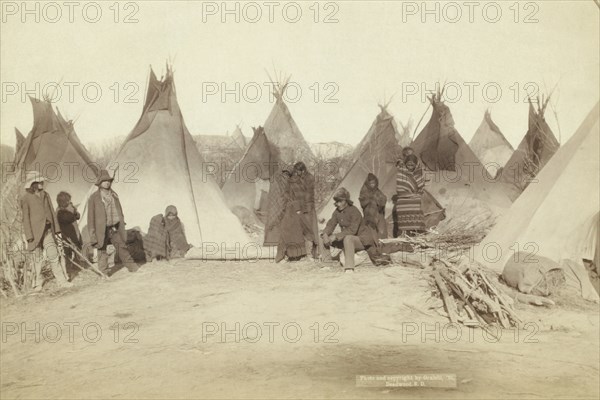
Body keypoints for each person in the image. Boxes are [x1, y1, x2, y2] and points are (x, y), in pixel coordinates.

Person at [20, 172, 72, 290]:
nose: (42, 183)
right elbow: (26, 219)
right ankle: (37, 284)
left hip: (48, 231)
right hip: (34, 234)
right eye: (39, 181)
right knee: (37, 260)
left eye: (41, 181)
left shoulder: (46, 195)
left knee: (54, 256)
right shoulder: (26, 199)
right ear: (33, 184)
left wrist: (57, 229)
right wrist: (29, 236)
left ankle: (62, 281)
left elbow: (52, 213)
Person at [321, 187, 390, 273]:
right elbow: (331, 224)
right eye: (337, 201)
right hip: (346, 240)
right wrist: (325, 234)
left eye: (340, 201)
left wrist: (336, 236)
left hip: (361, 240)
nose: (338, 204)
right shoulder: (336, 212)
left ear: (346, 201)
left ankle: (349, 267)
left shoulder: (354, 211)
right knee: (323, 237)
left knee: (348, 238)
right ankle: (326, 264)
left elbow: (352, 230)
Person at [87, 169, 139, 274]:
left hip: (113, 228)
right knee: (102, 250)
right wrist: (93, 235)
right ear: (100, 183)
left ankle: (133, 268)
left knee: (122, 247)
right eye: (104, 181)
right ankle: (104, 273)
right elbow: (90, 218)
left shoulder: (114, 195)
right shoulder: (94, 198)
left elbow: (120, 211)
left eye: (108, 180)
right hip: (100, 229)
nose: (107, 182)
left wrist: (121, 224)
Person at [266, 168, 307, 263]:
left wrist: (296, 209)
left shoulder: (289, 184)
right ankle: (290, 255)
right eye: (284, 175)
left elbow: (293, 197)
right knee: (289, 233)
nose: (285, 177)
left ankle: (285, 256)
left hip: (290, 211)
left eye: (286, 175)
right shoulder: (286, 183)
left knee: (289, 233)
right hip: (288, 210)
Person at [292, 161, 320, 259]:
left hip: (308, 208)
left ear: (303, 170)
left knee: (311, 230)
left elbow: (308, 195)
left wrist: (304, 209)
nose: (296, 173)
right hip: (303, 207)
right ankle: (304, 252)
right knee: (303, 230)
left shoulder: (310, 178)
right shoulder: (299, 178)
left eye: (298, 171)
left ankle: (313, 253)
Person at [395, 152, 426, 236]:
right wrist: (411, 195)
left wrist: (416, 194)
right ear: (405, 164)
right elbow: (400, 189)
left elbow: (421, 188)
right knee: (401, 204)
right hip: (404, 197)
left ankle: (416, 232)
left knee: (419, 202)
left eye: (412, 165)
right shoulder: (401, 172)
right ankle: (405, 233)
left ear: (416, 165)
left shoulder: (420, 173)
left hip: (415, 197)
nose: (410, 167)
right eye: (408, 165)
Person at [359, 173, 388, 239]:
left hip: (378, 213)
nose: (372, 185)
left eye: (374, 183)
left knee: (381, 230)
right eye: (371, 183)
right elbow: (363, 202)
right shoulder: (364, 191)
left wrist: (378, 199)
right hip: (369, 215)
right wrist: (371, 199)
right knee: (372, 233)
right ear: (368, 183)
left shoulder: (377, 190)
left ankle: (383, 242)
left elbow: (383, 199)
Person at [56, 191, 82, 260]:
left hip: (75, 232)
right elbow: (67, 219)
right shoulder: (59, 210)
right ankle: (69, 265)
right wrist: (72, 210)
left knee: (77, 248)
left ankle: (77, 262)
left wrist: (74, 211)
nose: (69, 201)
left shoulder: (71, 207)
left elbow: (78, 216)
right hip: (67, 234)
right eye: (68, 200)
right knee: (68, 250)